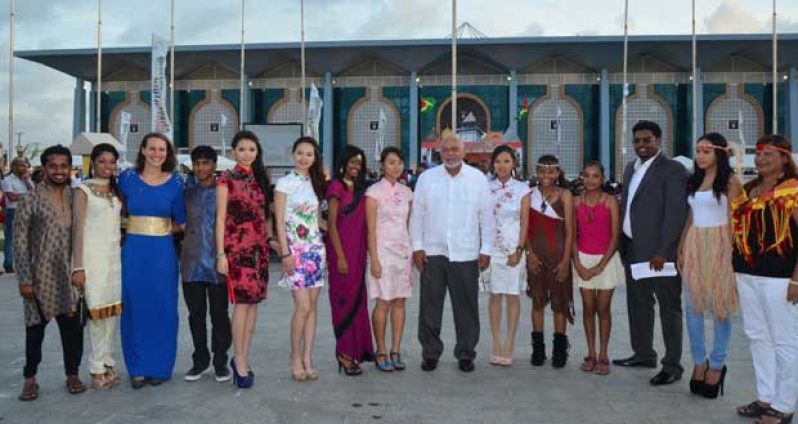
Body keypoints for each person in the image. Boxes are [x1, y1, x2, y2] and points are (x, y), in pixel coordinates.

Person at [410, 135, 494, 373]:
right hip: (432, 252)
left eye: (454, 149)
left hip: (466, 253)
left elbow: (486, 217)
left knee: (466, 307)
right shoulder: (427, 179)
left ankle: (466, 353)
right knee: (430, 306)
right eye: (445, 149)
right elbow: (417, 215)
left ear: (463, 151)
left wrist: (485, 249)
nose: (450, 153)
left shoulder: (477, 179)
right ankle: (430, 353)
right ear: (439, 153)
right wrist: (417, 246)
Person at [614, 120, 688, 386]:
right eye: (637, 141)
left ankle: (672, 365)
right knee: (638, 304)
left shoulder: (673, 170)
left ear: (659, 140)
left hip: (659, 255)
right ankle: (644, 353)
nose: (642, 145)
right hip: (633, 249)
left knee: (669, 308)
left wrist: (663, 251)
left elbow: (675, 214)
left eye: (647, 140)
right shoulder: (630, 169)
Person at [732, 135, 798, 424]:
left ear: (785, 158)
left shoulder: (792, 191)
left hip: (780, 277)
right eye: (758, 155)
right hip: (747, 273)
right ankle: (765, 397)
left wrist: (797, 280)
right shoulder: (751, 189)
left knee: (785, 341)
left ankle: (784, 406)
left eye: (768, 155)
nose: (761, 160)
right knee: (758, 337)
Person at [15, 145, 85, 401]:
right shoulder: (30, 200)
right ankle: (30, 378)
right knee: (35, 331)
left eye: (63, 166)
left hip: (69, 277)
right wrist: (25, 279)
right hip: (39, 276)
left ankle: (72, 374)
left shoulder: (77, 196)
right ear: (44, 168)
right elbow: (20, 243)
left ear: (70, 168)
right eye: (53, 166)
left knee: (73, 331)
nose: (59, 171)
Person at [119, 133, 186, 389]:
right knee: (135, 306)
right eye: (153, 148)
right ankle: (136, 368)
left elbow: (181, 221)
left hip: (162, 254)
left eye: (163, 149)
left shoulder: (176, 183)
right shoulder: (126, 179)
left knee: (163, 306)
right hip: (134, 251)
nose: (157, 153)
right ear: (143, 150)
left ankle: (160, 367)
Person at [677, 133, 741, 398]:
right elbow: (692, 213)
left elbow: (736, 220)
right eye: (698, 151)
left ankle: (717, 364)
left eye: (706, 151)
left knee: (720, 308)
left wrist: (731, 254)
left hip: (720, 245)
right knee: (692, 307)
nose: (700, 156)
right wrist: (681, 244)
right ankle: (699, 361)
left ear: (719, 153)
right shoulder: (695, 180)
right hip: (694, 243)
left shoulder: (731, 182)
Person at [216, 132, 274, 389]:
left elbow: (266, 215)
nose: (247, 153)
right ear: (233, 151)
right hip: (237, 250)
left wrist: (272, 240)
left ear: (257, 151)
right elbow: (220, 219)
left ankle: (244, 357)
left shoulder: (261, 179)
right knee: (241, 305)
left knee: (253, 306)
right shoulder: (225, 179)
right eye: (242, 149)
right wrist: (220, 254)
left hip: (259, 250)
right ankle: (238, 359)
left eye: (252, 149)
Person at [71, 143, 123, 391]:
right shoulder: (83, 190)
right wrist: (77, 267)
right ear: (92, 162)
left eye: (112, 162)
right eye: (102, 161)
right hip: (91, 259)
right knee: (96, 316)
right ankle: (95, 368)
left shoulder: (115, 192)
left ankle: (108, 361)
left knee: (112, 314)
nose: (107, 166)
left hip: (113, 259)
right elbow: (78, 230)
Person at [275, 137, 327, 381]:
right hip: (295, 252)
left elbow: (317, 220)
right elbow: (279, 221)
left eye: (309, 154)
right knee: (303, 307)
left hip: (316, 251)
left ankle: (308, 357)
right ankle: (294, 357)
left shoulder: (316, 183)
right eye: (300, 153)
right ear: (293, 154)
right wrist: (285, 253)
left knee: (313, 308)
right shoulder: (284, 184)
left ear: (315, 158)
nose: (304, 157)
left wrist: (345, 231)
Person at [181, 146, 232, 383]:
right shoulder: (186, 194)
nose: (201, 168)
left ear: (214, 165)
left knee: (219, 315)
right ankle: (199, 361)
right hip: (191, 263)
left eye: (205, 163)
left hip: (217, 263)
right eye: (197, 163)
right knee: (195, 314)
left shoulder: (224, 192)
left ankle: (221, 360)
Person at [325, 145, 374, 375]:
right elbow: (332, 225)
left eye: (359, 163)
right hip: (341, 254)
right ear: (343, 162)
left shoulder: (363, 189)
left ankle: (356, 352)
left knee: (358, 302)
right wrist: (341, 257)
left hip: (358, 254)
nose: (356, 167)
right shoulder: (336, 188)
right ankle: (344, 353)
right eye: (352, 162)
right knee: (343, 302)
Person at [572, 161, 624, 375]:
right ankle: (591, 353)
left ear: (602, 179)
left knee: (603, 309)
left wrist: (601, 265)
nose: (590, 180)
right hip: (583, 259)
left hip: (607, 260)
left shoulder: (610, 201)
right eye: (586, 175)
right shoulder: (575, 202)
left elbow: (615, 236)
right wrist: (578, 263)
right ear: (582, 177)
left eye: (595, 176)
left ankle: (603, 353)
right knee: (587, 308)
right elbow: (572, 235)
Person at [366, 147, 413, 373]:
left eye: (399, 162)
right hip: (382, 252)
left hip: (403, 252)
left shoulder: (408, 193)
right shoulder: (373, 193)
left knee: (400, 301)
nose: (396, 166)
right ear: (383, 165)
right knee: (383, 301)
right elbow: (370, 229)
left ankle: (396, 349)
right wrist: (374, 258)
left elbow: (410, 224)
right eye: (391, 162)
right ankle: (381, 349)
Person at [526, 154, 575, 368]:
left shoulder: (565, 195)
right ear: (537, 173)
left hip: (558, 255)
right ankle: (538, 349)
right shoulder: (529, 196)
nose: (546, 175)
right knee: (537, 302)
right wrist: (530, 254)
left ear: (558, 173)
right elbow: (525, 229)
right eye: (542, 171)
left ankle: (559, 349)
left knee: (559, 304)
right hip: (536, 256)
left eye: (551, 171)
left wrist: (566, 261)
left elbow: (571, 231)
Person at [484, 145, 530, 367]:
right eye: (498, 161)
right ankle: (496, 342)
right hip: (492, 250)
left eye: (507, 161)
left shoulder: (523, 189)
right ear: (493, 164)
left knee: (512, 295)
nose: (502, 166)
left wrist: (519, 249)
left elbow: (525, 222)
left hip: (514, 250)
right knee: (495, 296)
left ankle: (509, 342)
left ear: (514, 164)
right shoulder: (485, 187)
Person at [3, 157, 32, 272]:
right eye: (21, 165)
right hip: (13, 212)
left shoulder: (26, 180)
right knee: (11, 238)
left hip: (27, 210)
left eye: (25, 166)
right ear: (13, 167)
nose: (24, 168)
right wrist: (26, 196)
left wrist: (27, 182)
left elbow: (34, 193)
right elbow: (11, 197)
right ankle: (8, 263)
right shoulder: (8, 180)